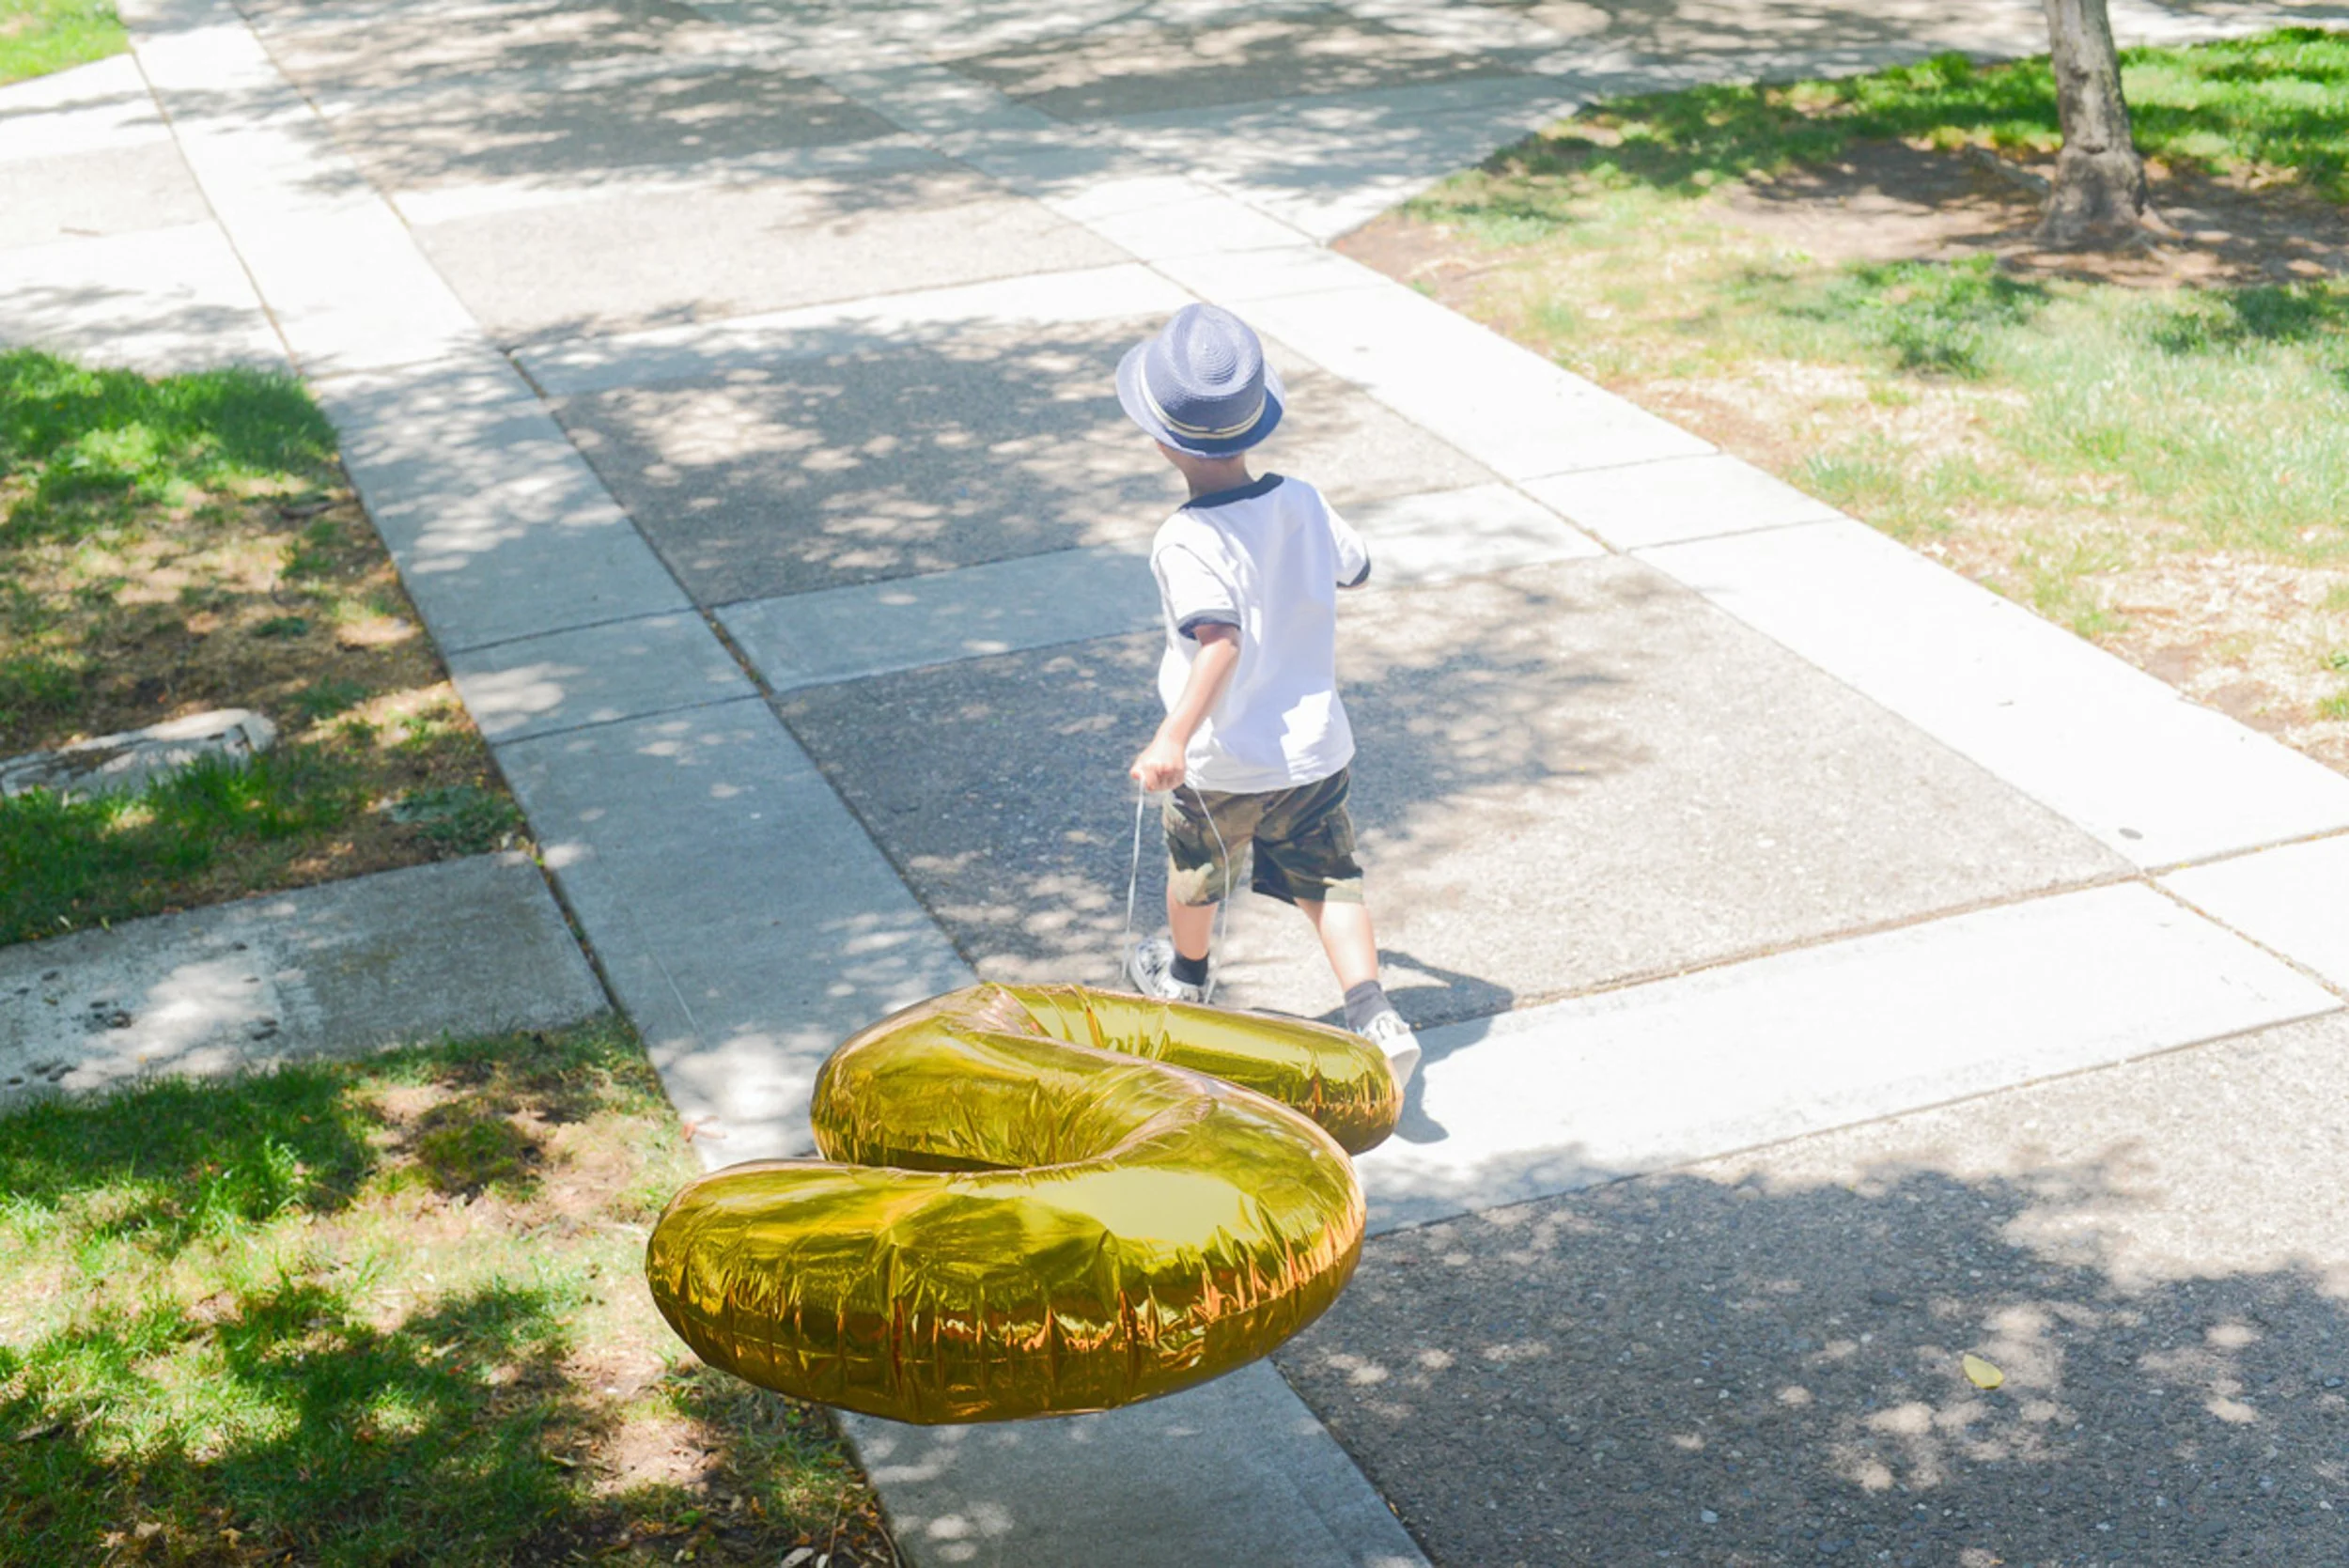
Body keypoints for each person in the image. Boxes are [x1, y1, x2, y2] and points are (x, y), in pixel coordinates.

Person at [1115, 303, 1421, 1091]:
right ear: (1256, 427)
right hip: (1315, 748)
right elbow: (1356, 567)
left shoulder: (1185, 538)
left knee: (1196, 872)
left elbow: (1219, 642)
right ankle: (1375, 1012)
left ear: (1160, 438)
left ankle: (1184, 976)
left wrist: (1172, 736)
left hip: (1222, 762)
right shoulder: (1303, 499)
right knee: (1331, 879)